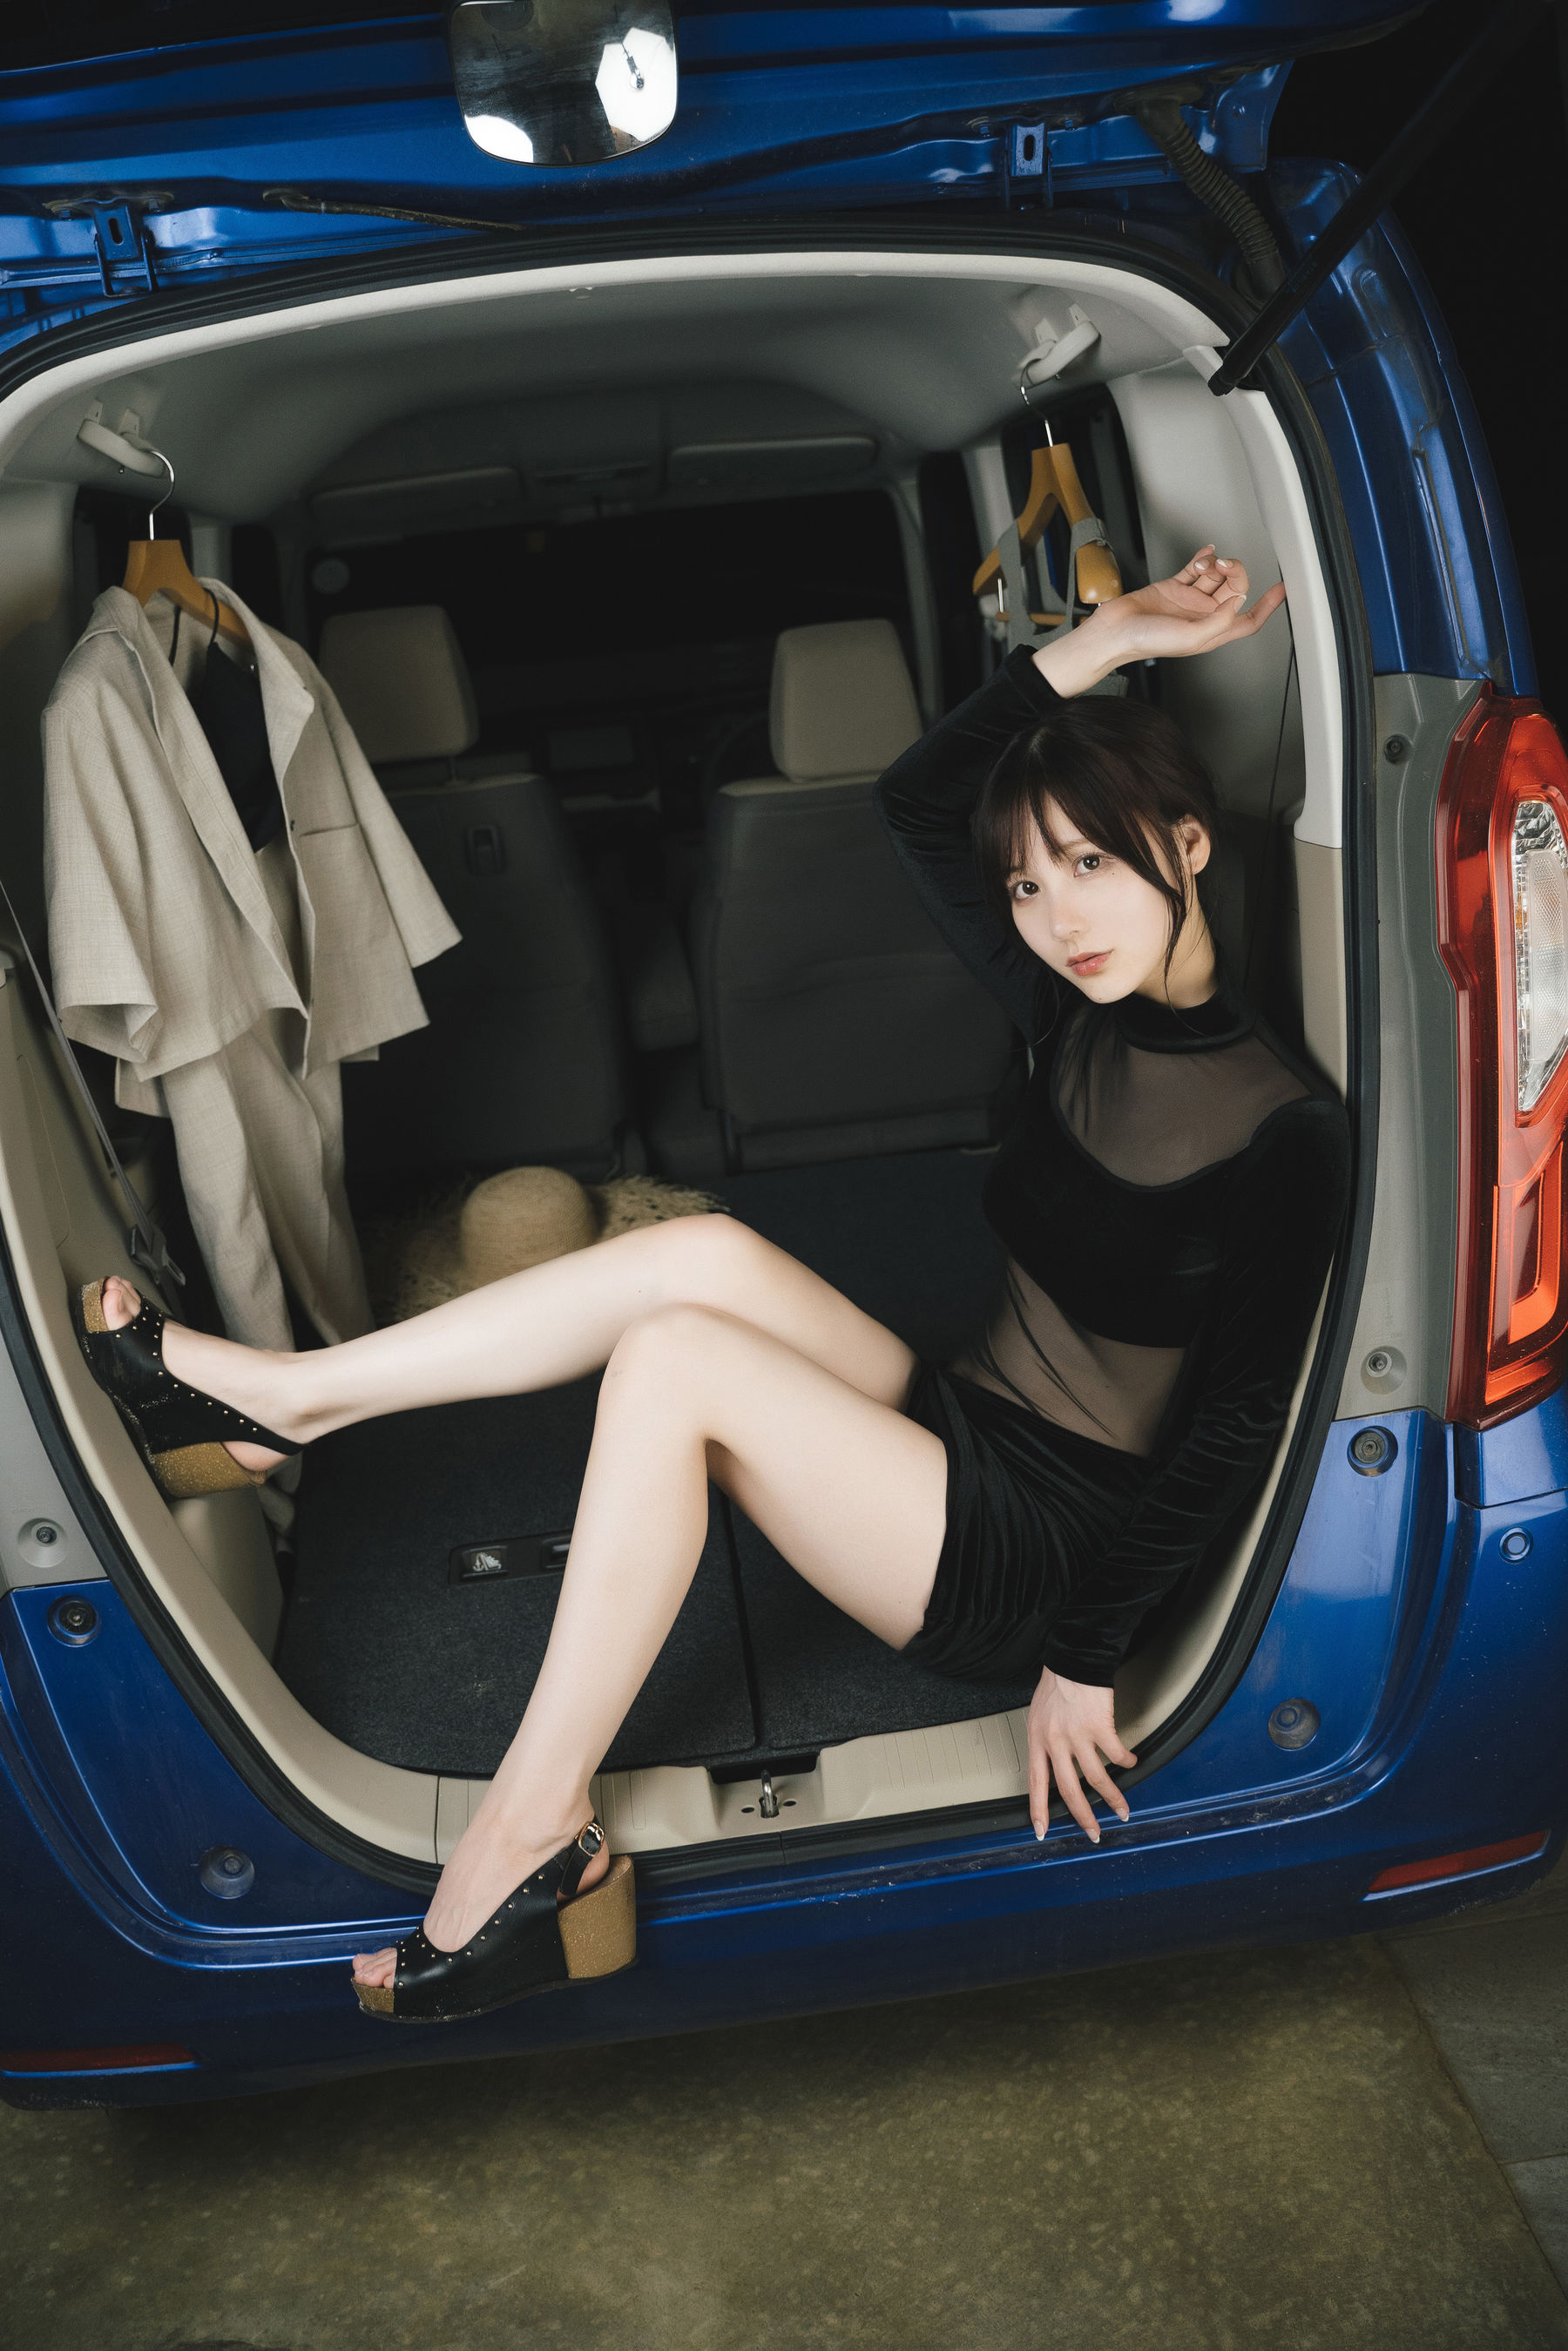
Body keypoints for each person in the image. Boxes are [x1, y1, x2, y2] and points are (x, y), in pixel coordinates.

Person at [71, 545, 1349, 2025]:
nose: (1061, 916)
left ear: (1188, 845)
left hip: (1037, 1552)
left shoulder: (1281, 1129)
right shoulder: (1071, 1011)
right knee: (697, 1255)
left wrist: (1083, 1654)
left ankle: (532, 1832)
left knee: (675, 1359)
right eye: (1029, 880)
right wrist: (1112, 634)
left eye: (1094, 864)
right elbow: (917, 795)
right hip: (964, 1422)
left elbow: (1237, 1424)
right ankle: (287, 1405)